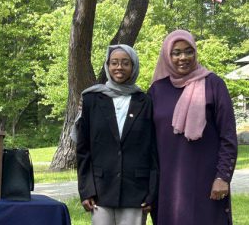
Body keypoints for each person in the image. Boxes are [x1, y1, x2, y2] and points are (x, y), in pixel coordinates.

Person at [148, 30, 238, 225]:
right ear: (167, 56)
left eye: (189, 51)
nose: (183, 57)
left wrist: (223, 177)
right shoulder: (157, 90)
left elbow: (228, 136)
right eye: (176, 52)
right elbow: (144, 138)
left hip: (206, 181)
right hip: (168, 184)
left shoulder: (213, 84)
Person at [76, 44, 159, 225]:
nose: (119, 67)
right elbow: (83, 150)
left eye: (125, 63)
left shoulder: (145, 101)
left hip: (136, 191)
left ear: (133, 66)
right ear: (107, 66)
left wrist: (151, 192)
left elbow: (152, 150)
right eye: (114, 63)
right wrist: (86, 190)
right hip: (100, 191)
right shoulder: (91, 100)